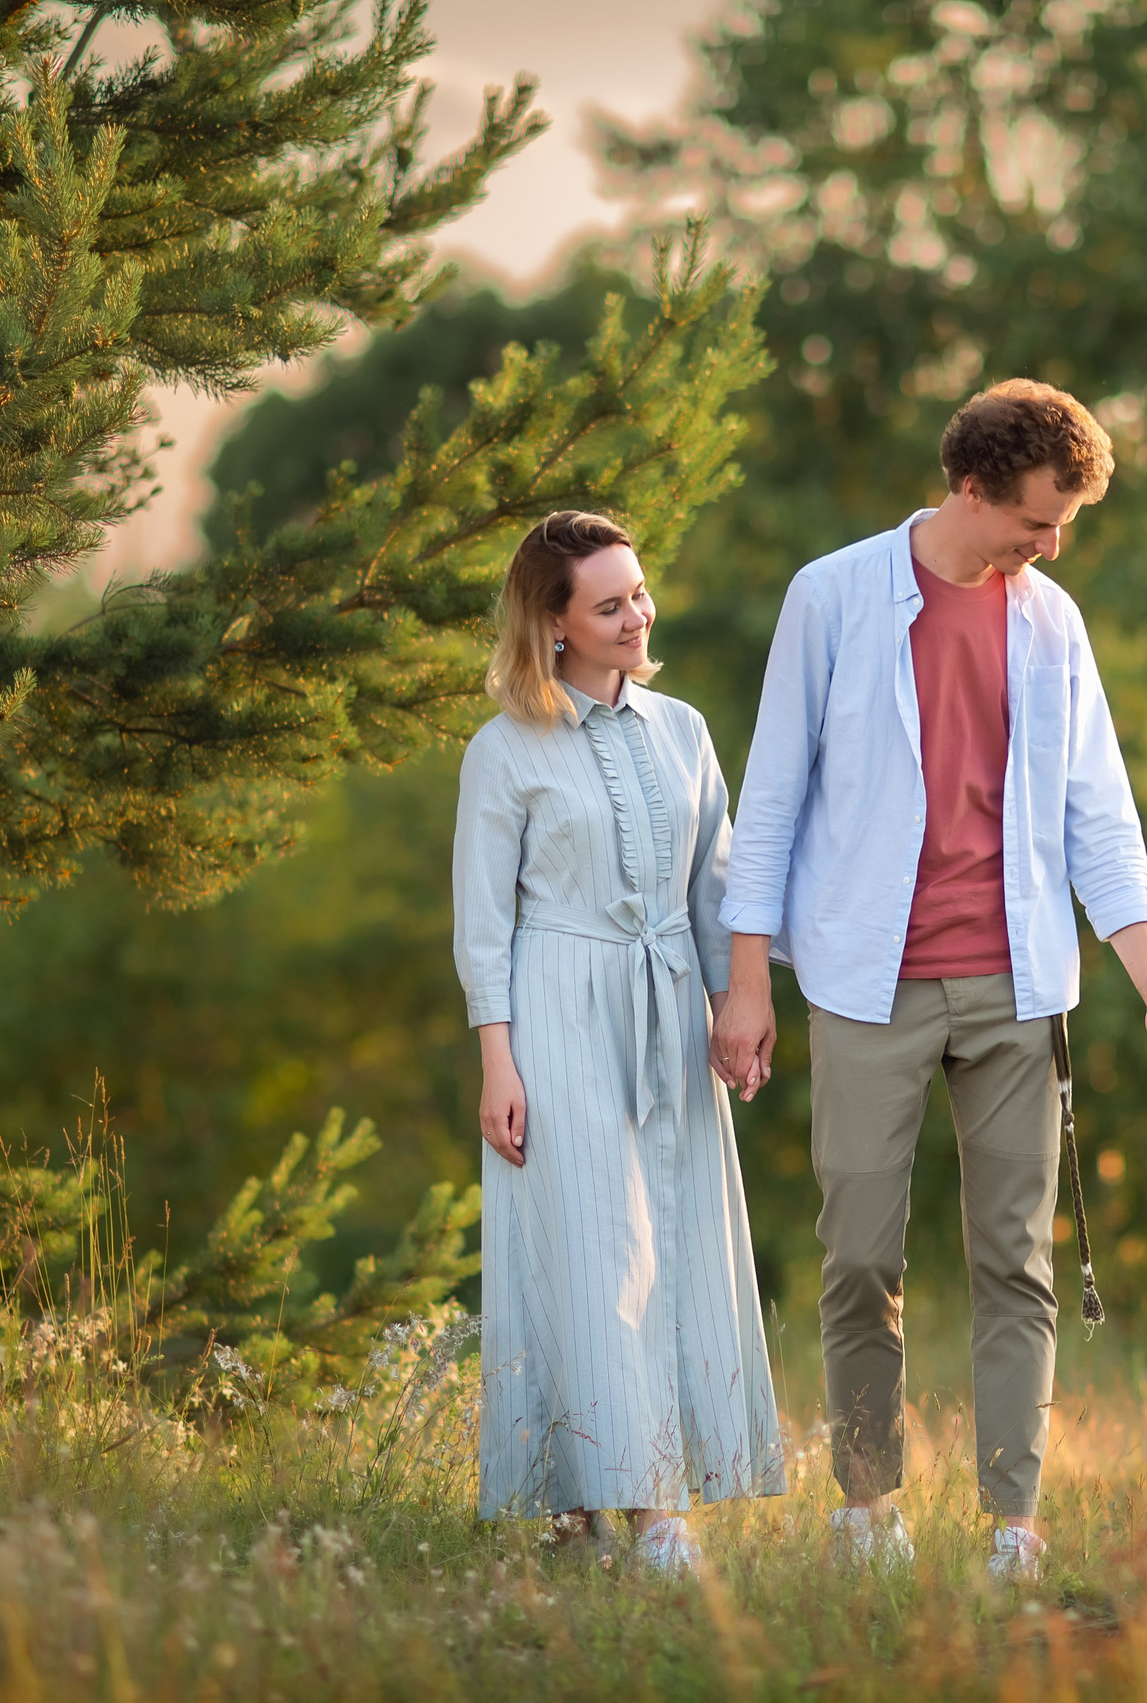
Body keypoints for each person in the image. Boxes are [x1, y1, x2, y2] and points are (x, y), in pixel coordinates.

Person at [712, 379, 1147, 1582]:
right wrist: (746, 982)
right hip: (864, 981)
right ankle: (868, 1507)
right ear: (971, 487)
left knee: (1014, 1260)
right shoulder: (832, 595)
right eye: (1039, 520)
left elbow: (1102, 821)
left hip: (1017, 983)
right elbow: (768, 799)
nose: (1053, 544)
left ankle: (1011, 1527)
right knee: (861, 1255)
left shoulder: (1051, 620)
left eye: (1065, 525)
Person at [451, 511, 784, 1575]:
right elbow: (482, 923)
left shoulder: (683, 729)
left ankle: (641, 1490)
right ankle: (640, 1509)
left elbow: (721, 887)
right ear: (554, 625)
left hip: (670, 1006)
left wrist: (743, 1001)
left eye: (638, 592)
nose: (637, 615)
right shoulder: (503, 750)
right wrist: (497, 1058)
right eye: (609, 603)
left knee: (677, 1241)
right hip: (556, 1005)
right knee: (595, 1252)